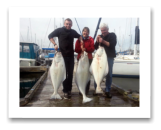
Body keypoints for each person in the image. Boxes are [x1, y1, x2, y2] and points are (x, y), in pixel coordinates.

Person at [48, 18, 84, 99]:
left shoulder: (72, 31)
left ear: (71, 25)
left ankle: (69, 90)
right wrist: (55, 44)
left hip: (71, 56)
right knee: (64, 74)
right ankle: (65, 91)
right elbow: (50, 36)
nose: (68, 25)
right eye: (67, 24)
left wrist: (81, 41)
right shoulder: (59, 30)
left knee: (70, 74)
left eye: (70, 24)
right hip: (62, 57)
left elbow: (79, 36)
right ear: (64, 24)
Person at [94, 23, 117, 98]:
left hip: (109, 57)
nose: (102, 32)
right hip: (100, 58)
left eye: (104, 30)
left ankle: (107, 90)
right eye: (101, 30)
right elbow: (95, 47)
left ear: (107, 29)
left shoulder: (112, 35)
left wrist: (102, 41)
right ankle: (96, 89)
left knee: (109, 74)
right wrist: (97, 41)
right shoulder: (100, 36)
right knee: (97, 72)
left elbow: (112, 44)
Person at [75, 27, 95, 95]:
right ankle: (80, 89)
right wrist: (80, 49)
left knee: (87, 75)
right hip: (80, 58)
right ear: (82, 32)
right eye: (84, 31)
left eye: (87, 31)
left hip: (88, 59)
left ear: (88, 33)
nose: (85, 33)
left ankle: (86, 90)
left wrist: (85, 49)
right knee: (79, 74)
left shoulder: (91, 39)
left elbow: (92, 49)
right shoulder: (78, 40)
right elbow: (76, 50)